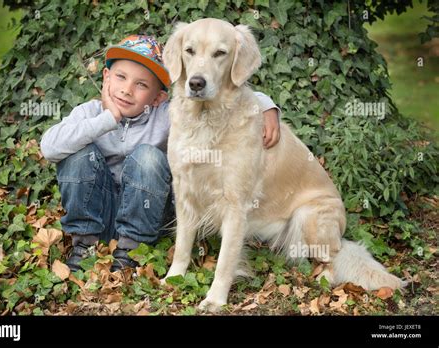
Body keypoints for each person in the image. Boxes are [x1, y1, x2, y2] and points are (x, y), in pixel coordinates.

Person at [40, 34, 281, 272]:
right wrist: (109, 118)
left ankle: (131, 252)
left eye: (141, 85)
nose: (126, 90)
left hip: (147, 215)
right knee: (77, 154)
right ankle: (85, 246)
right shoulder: (88, 112)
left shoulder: (168, 116)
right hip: (98, 212)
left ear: (158, 97)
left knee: (148, 156)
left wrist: (265, 106)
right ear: (106, 77)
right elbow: (49, 147)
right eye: (120, 77)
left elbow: (220, 103)